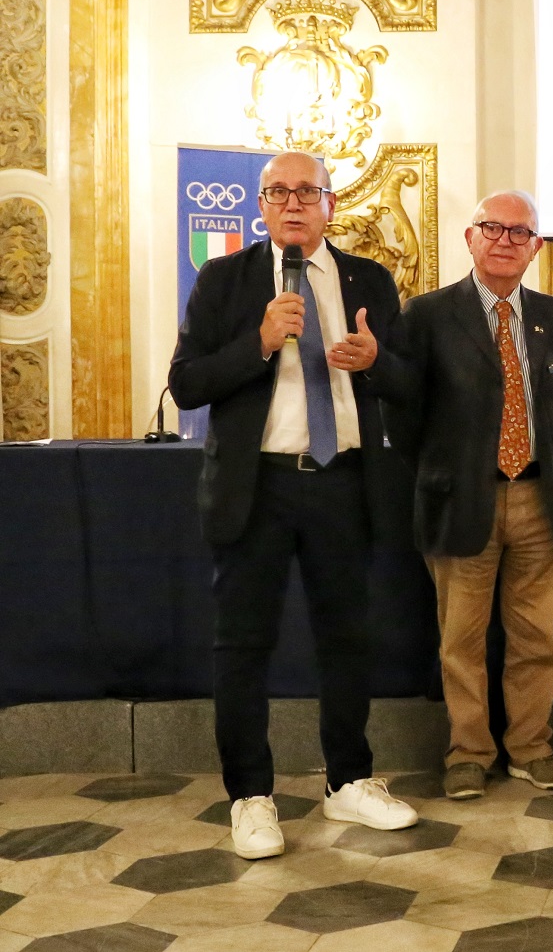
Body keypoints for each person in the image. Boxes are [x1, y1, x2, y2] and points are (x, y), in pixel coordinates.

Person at [168, 151, 418, 860]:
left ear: (330, 205)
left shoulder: (368, 279)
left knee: (347, 639)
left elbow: (405, 381)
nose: (293, 203)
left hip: (344, 478)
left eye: (307, 191)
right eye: (278, 192)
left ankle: (350, 778)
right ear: (263, 206)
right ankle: (251, 795)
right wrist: (258, 341)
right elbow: (186, 383)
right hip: (259, 484)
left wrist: (377, 363)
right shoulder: (225, 279)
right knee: (243, 645)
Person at [395, 192, 553, 800]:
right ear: (470, 238)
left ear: (537, 247)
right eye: (492, 228)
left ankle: (531, 747)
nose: (505, 240)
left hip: (540, 499)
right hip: (460, 500)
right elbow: (406, 417)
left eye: (519, 231)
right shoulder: (425, 316)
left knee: (538, 637)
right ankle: (468, 752)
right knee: (461, 639)